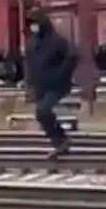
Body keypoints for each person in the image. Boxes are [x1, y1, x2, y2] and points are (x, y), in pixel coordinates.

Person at [25, 9, 78, 159]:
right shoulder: (32, 43)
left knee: (42, 111)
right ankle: (60, 141)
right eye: (31, 24)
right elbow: (29, 65)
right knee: (42, 115)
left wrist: (61, 74)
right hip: (41, 86)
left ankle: (61, 141)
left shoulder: (57, 41)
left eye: (35, 23)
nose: (33, 27)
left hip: (57, 86)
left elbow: (73, 56)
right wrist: (29, 83)